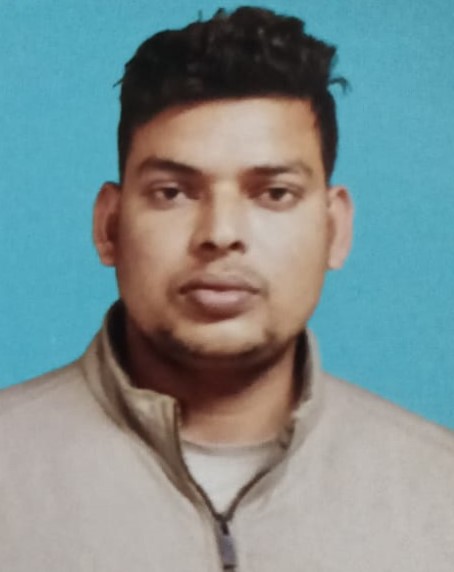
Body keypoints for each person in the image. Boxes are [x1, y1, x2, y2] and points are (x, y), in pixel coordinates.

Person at [1, 6, 453, 571]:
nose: (220, 234)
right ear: (109, 226)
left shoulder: (439, 492)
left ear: (335, 229)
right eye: (172, 193)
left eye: (274, 193)